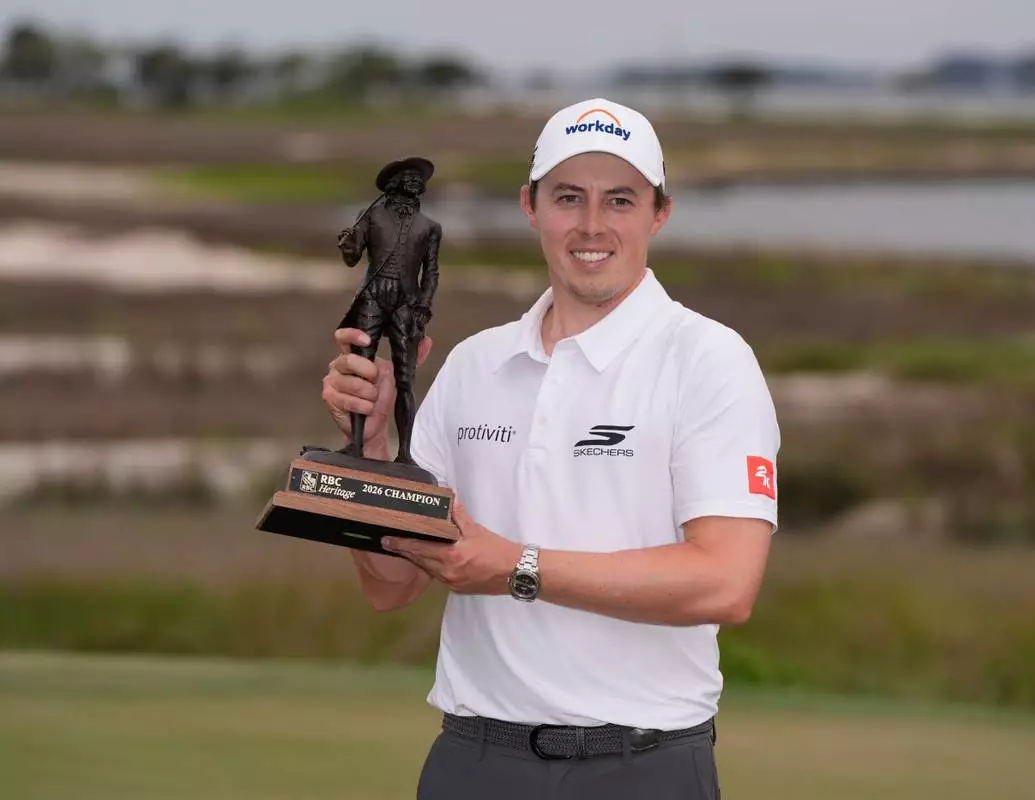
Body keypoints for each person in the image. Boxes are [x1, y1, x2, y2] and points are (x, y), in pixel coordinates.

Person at [321, 98, 780, 800]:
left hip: (642, 767)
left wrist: (516, 566)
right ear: (530, 206)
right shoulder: (475, 365)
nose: (592, 225)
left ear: (659, 213)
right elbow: (391, 586)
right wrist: (377, 450)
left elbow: (726, 582)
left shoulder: (708, 360)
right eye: (568, 197)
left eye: (619, 200)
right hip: (473, 761)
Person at [334, 156, 440, 462]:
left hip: (406, 304)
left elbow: (431, 273)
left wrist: (424, 307)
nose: (416, 181)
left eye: (419, 178)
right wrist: (347, 244)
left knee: (405, 378)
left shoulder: (430, 227)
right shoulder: (371, 216)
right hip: (373, 297)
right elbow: (352, 258)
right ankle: (355, 444)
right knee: (360, 371)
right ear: (395, 183)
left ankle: (405, 453)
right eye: (410, 176)